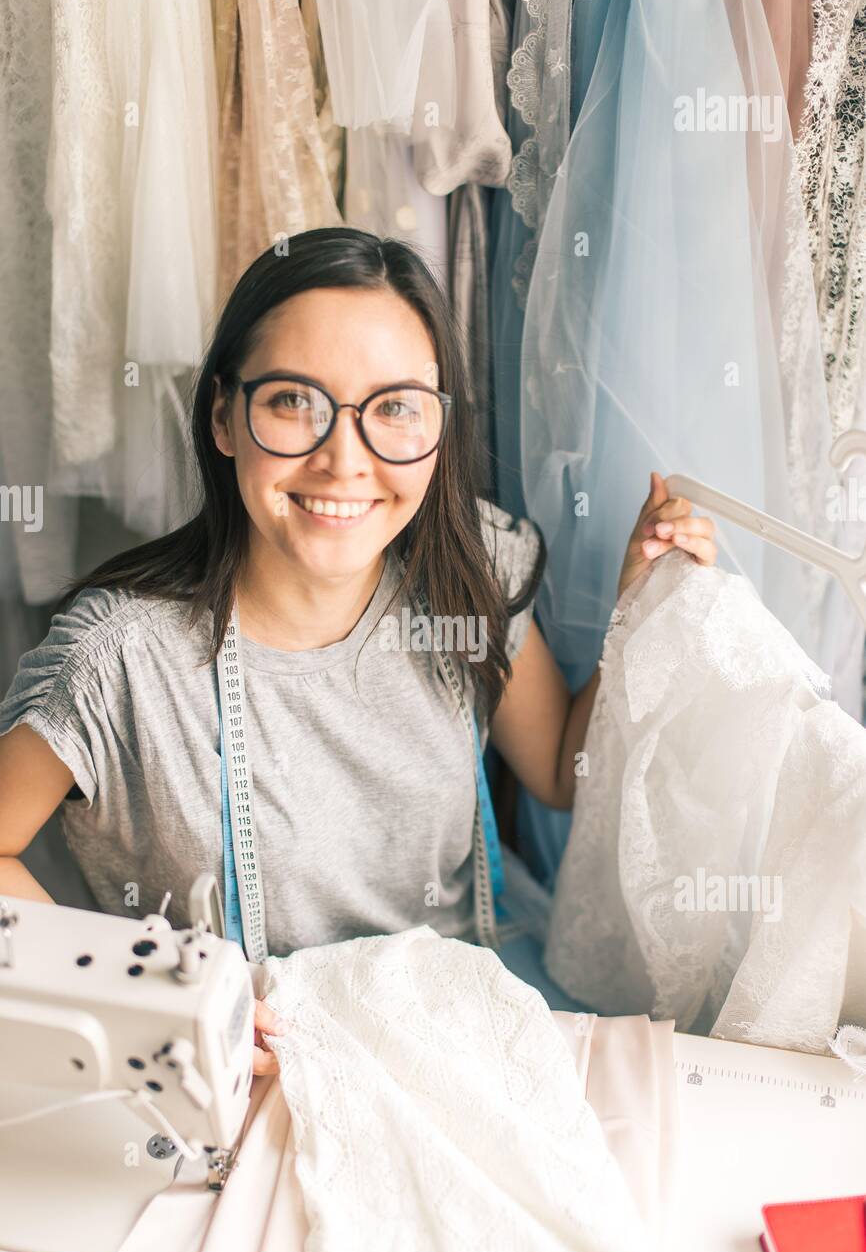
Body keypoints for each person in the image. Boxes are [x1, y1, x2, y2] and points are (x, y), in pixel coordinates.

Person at [0, 227, 716, 1074]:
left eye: (396, 408)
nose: (345, 460)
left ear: (440, 427)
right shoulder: (119, 657)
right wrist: (160, 1001)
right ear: (225, 415)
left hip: (453, 1028)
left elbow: (562, 771)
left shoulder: (469, 573)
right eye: (294, 401)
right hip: (237, 1072)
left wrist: (640, 606)